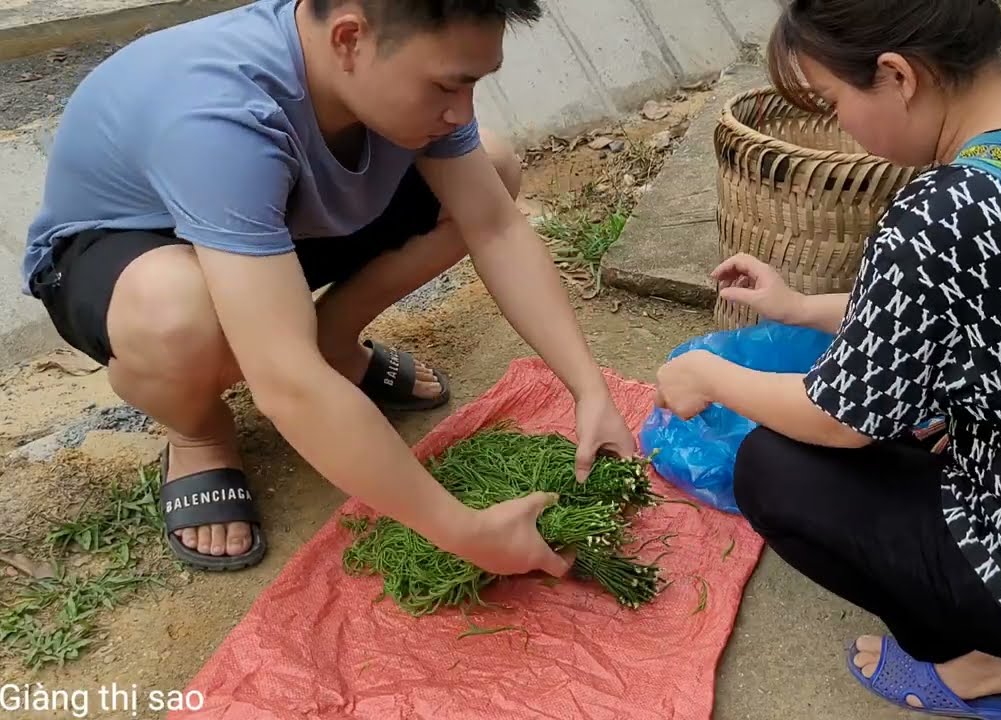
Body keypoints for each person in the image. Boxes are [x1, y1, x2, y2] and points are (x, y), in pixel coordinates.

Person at [653, 1, 1001, 717]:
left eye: (834, 101)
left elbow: (839, 420)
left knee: (773, 470)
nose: (842, 126)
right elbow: (957, 311)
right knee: (891, 419)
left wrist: (705, 375)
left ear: (898, 76)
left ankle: (988, 663)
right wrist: (799, 307)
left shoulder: (944, 209)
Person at [21, 0, 636, 576]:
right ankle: (199, 433)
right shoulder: (220, 118)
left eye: (473, 83)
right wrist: (465, 531)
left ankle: (335, 342)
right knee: (182, 316)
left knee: (490, 170)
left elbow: (494, 226)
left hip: (271, 224)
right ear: (348, 38)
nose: (461, 111)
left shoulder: (387, 74)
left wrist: (589, 390)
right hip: (132, 250)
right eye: (447, 86)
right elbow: (285, 380)